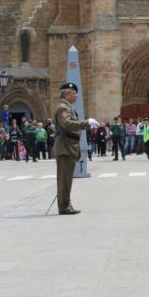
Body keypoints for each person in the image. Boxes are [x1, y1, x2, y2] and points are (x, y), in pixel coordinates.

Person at [53, 82, 93, 215]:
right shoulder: (63, 108)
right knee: (64, 179)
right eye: (75, 93)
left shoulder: (67, 107)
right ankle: (64, 206)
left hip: (69, 146)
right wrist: (86, 123)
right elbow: (68, 123)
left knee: (67, 178)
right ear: (68, 94)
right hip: (65, 147)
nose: (76, 96)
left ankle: (66, 204)